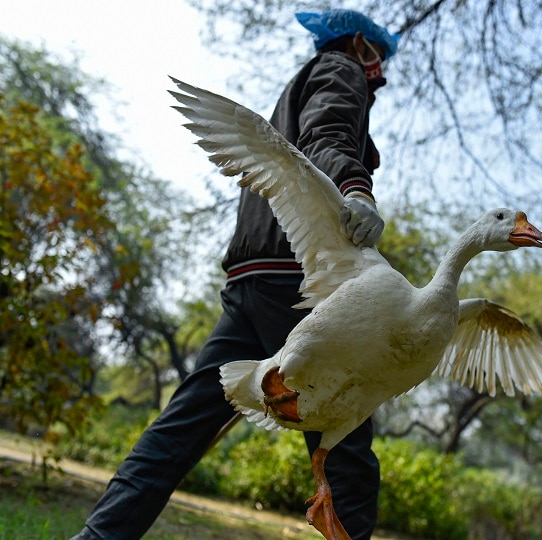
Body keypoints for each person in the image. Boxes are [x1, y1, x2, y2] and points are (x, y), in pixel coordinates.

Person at [71, 8, 399, 540]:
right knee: (345, 445)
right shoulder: (341, 71)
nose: (382, 70)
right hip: (297, 277)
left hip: (248, 278)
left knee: (184, 427)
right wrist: (356, 188)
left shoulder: (290, 92)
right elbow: (329, 132)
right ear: (359, 43)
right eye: (379, 56)